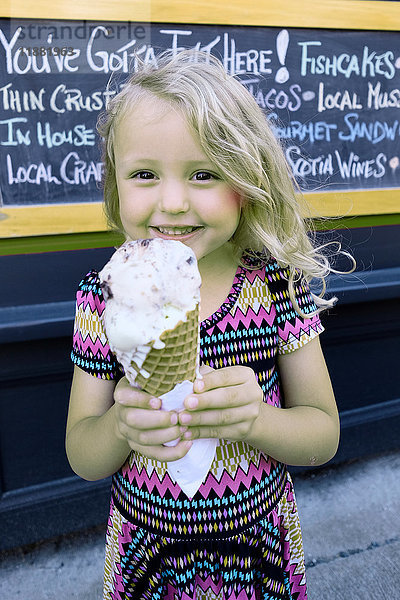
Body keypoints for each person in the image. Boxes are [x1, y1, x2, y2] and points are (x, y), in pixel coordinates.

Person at [66, 49, 354, 600]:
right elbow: (83, 455)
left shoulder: (275, 286)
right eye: (144, 174)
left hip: (258, 552)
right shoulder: (102, 298)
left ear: (247, 182)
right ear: (116, 185)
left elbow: (323, 435)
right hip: (148, 559)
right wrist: (122, 429)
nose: (172, 202)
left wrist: (256, 421)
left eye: (204, 173)